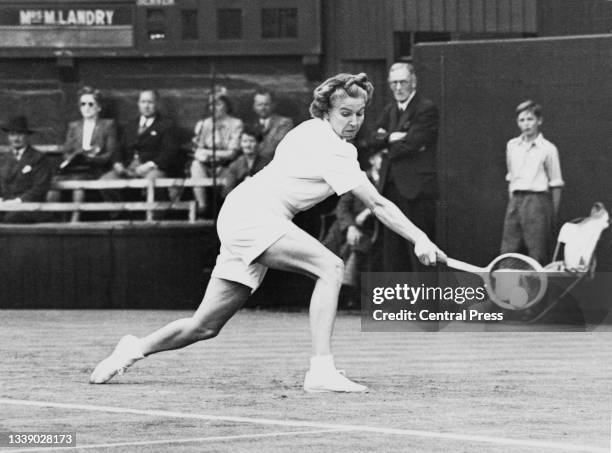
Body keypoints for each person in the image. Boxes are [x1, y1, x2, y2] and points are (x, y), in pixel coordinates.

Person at [90, 73, 445, 393]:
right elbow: (379, 204)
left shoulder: (310, 131)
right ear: (326, 112)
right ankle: (321, 369)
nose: (354, 122)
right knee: (331, 267)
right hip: (254, 215)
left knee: (204, 325)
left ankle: (133, 349)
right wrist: (420, 239)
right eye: (346, 114)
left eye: (360, 113)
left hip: (247, 211)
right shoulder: (332, 148)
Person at [369, 62, 439, 273]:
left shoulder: (426, 108)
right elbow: (372, 139)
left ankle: (426, 306)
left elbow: (413, 144)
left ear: (413, 82)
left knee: (420, 251)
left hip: (415, 191)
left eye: (403, 82)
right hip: (390, 190)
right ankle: (399, 305)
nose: (398, 88)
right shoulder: (390, 109)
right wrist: (392, 137)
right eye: (394, 83)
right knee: (393, 252)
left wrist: (386, 145)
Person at [500, 100, 564, 264]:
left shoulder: (548, 148)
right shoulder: (512, 146)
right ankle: (507, 288)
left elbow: (556, 184)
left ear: (539, 121)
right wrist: (514, 203)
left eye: (530, 119)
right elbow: (511, 177)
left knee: (538, 251)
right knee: (509, 250)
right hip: (515, 201)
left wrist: (550, 213)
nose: (526, 124)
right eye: (522, 120)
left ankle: (538, 288)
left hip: (538, 202)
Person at [322, 150, 383, 307]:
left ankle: (349, 290)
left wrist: (367, 212)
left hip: (373, 227)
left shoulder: (388, 180)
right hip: (348, 225)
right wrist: (350, 226)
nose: (383, 161)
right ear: (372, 159)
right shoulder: (359, 178)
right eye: (380, 156)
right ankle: (334, 290)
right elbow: (342, 206)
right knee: (331, 244)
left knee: (357, 245)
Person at [48, 86, 118, 203]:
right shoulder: (74, 126)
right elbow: (67, 151)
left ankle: (75, 219)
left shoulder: (107, 125)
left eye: (91, 104)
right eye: (83, 104)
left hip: (94, 169)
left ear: (99, 107)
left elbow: (109, 153)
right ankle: (51, 216)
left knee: (77, 183)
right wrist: (73, 157)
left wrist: (92, 158)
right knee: (54, 183)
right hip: (74, 168)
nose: (86, 108)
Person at [190, 93, 243, 216]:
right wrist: (202, 154)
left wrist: (208, 153)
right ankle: (202, 206)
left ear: (227, 106)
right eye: (211, 104)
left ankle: (226, 210)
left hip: (226, 165)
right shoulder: (204, 124)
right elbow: (198, 149)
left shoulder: (236, 124)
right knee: (195, 165)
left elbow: (232, 152)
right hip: (207, 165)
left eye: (218, 104)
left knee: (230, 173)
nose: (213, 108)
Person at [0, 116, 53, 223]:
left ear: (27, 136)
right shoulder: (4, 159)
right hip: (6, 206)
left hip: (30, 207)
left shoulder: (38, 158)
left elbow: (40, 188)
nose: (16, 139)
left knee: (11, 219)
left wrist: (18, 201)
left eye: (20, 134)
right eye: (12, 134)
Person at [221, 125, 271, 198]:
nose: (248, 145)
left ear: (259, 144)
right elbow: (227, 191)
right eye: (244, 141)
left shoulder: (268, 163)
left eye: (251, 141)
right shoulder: (235, 165)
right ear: (241, 144)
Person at [251, 89, 294, 159]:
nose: (263, 108)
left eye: (266, 104)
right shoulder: (250, 125)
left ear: (273, 105)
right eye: (259, 105)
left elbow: (276, 147)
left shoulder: (284, 123)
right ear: (254, 107)